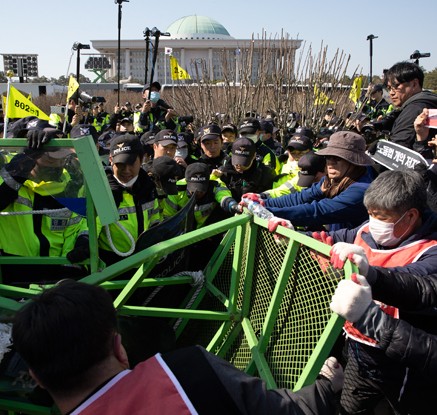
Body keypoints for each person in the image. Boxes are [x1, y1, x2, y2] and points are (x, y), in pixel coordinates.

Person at [12, 280, 343, 415]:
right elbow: (286, 411)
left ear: (36, 377)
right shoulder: (184, 370)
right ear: (119, 346)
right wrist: (330, 388)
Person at [319, 169, 437, 414]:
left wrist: (370, 273)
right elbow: (329, 239)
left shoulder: (431, 250)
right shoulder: (366, 230)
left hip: (401, 368)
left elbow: (415, 284)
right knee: (349, 409)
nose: (373, 222)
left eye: (381, 216)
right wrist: (290, 234)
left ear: (410, 216)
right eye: (370, 214)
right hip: (358, 351)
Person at [330, 268, 437, 415]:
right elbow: (425, 288)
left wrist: (375, 322)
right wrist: (374, 276)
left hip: (411, 379)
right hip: (363, 364)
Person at [0, 131, 87, 284]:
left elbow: (78, 224)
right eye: (52, 159)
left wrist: (82, 241)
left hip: (58, 269)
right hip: (13, 269)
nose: (60, 163)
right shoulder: (10, 180)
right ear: (33, 158)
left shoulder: (72, 185)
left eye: (62, 158)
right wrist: (15, 174)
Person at [245, 131, 374, 232]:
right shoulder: (332, 181)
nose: (330, 163)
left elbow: (318, 211)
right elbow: (300, 197)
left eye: (338, 158)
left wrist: (266, 212)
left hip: (352, 258)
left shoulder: (361, 190)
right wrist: (262, 201)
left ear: (354, 162)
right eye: (328, 157)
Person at [68, 133, 161, 267]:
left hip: (144, 260)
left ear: (141, 160)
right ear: (110, 160)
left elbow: (154, 218)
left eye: (131, 163)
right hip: (110, 264)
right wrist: (84, 242)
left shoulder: (148, 187)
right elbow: (91, 225)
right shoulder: (103, 189)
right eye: (120, 164)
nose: (126, 170)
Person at [365, 62, 437, 157]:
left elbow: (398, 149)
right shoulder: (426, 102)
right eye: (389, 88)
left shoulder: (414, 109)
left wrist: (379, 147)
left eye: (396, 86)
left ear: (414, 84)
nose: (391, 93)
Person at [215, 137, 275, 201]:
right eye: (236, 161)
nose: (238, 165)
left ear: (254, 156)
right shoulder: (223, 172)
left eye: (244, 162)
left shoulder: (266, 175)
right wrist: (214, 177)